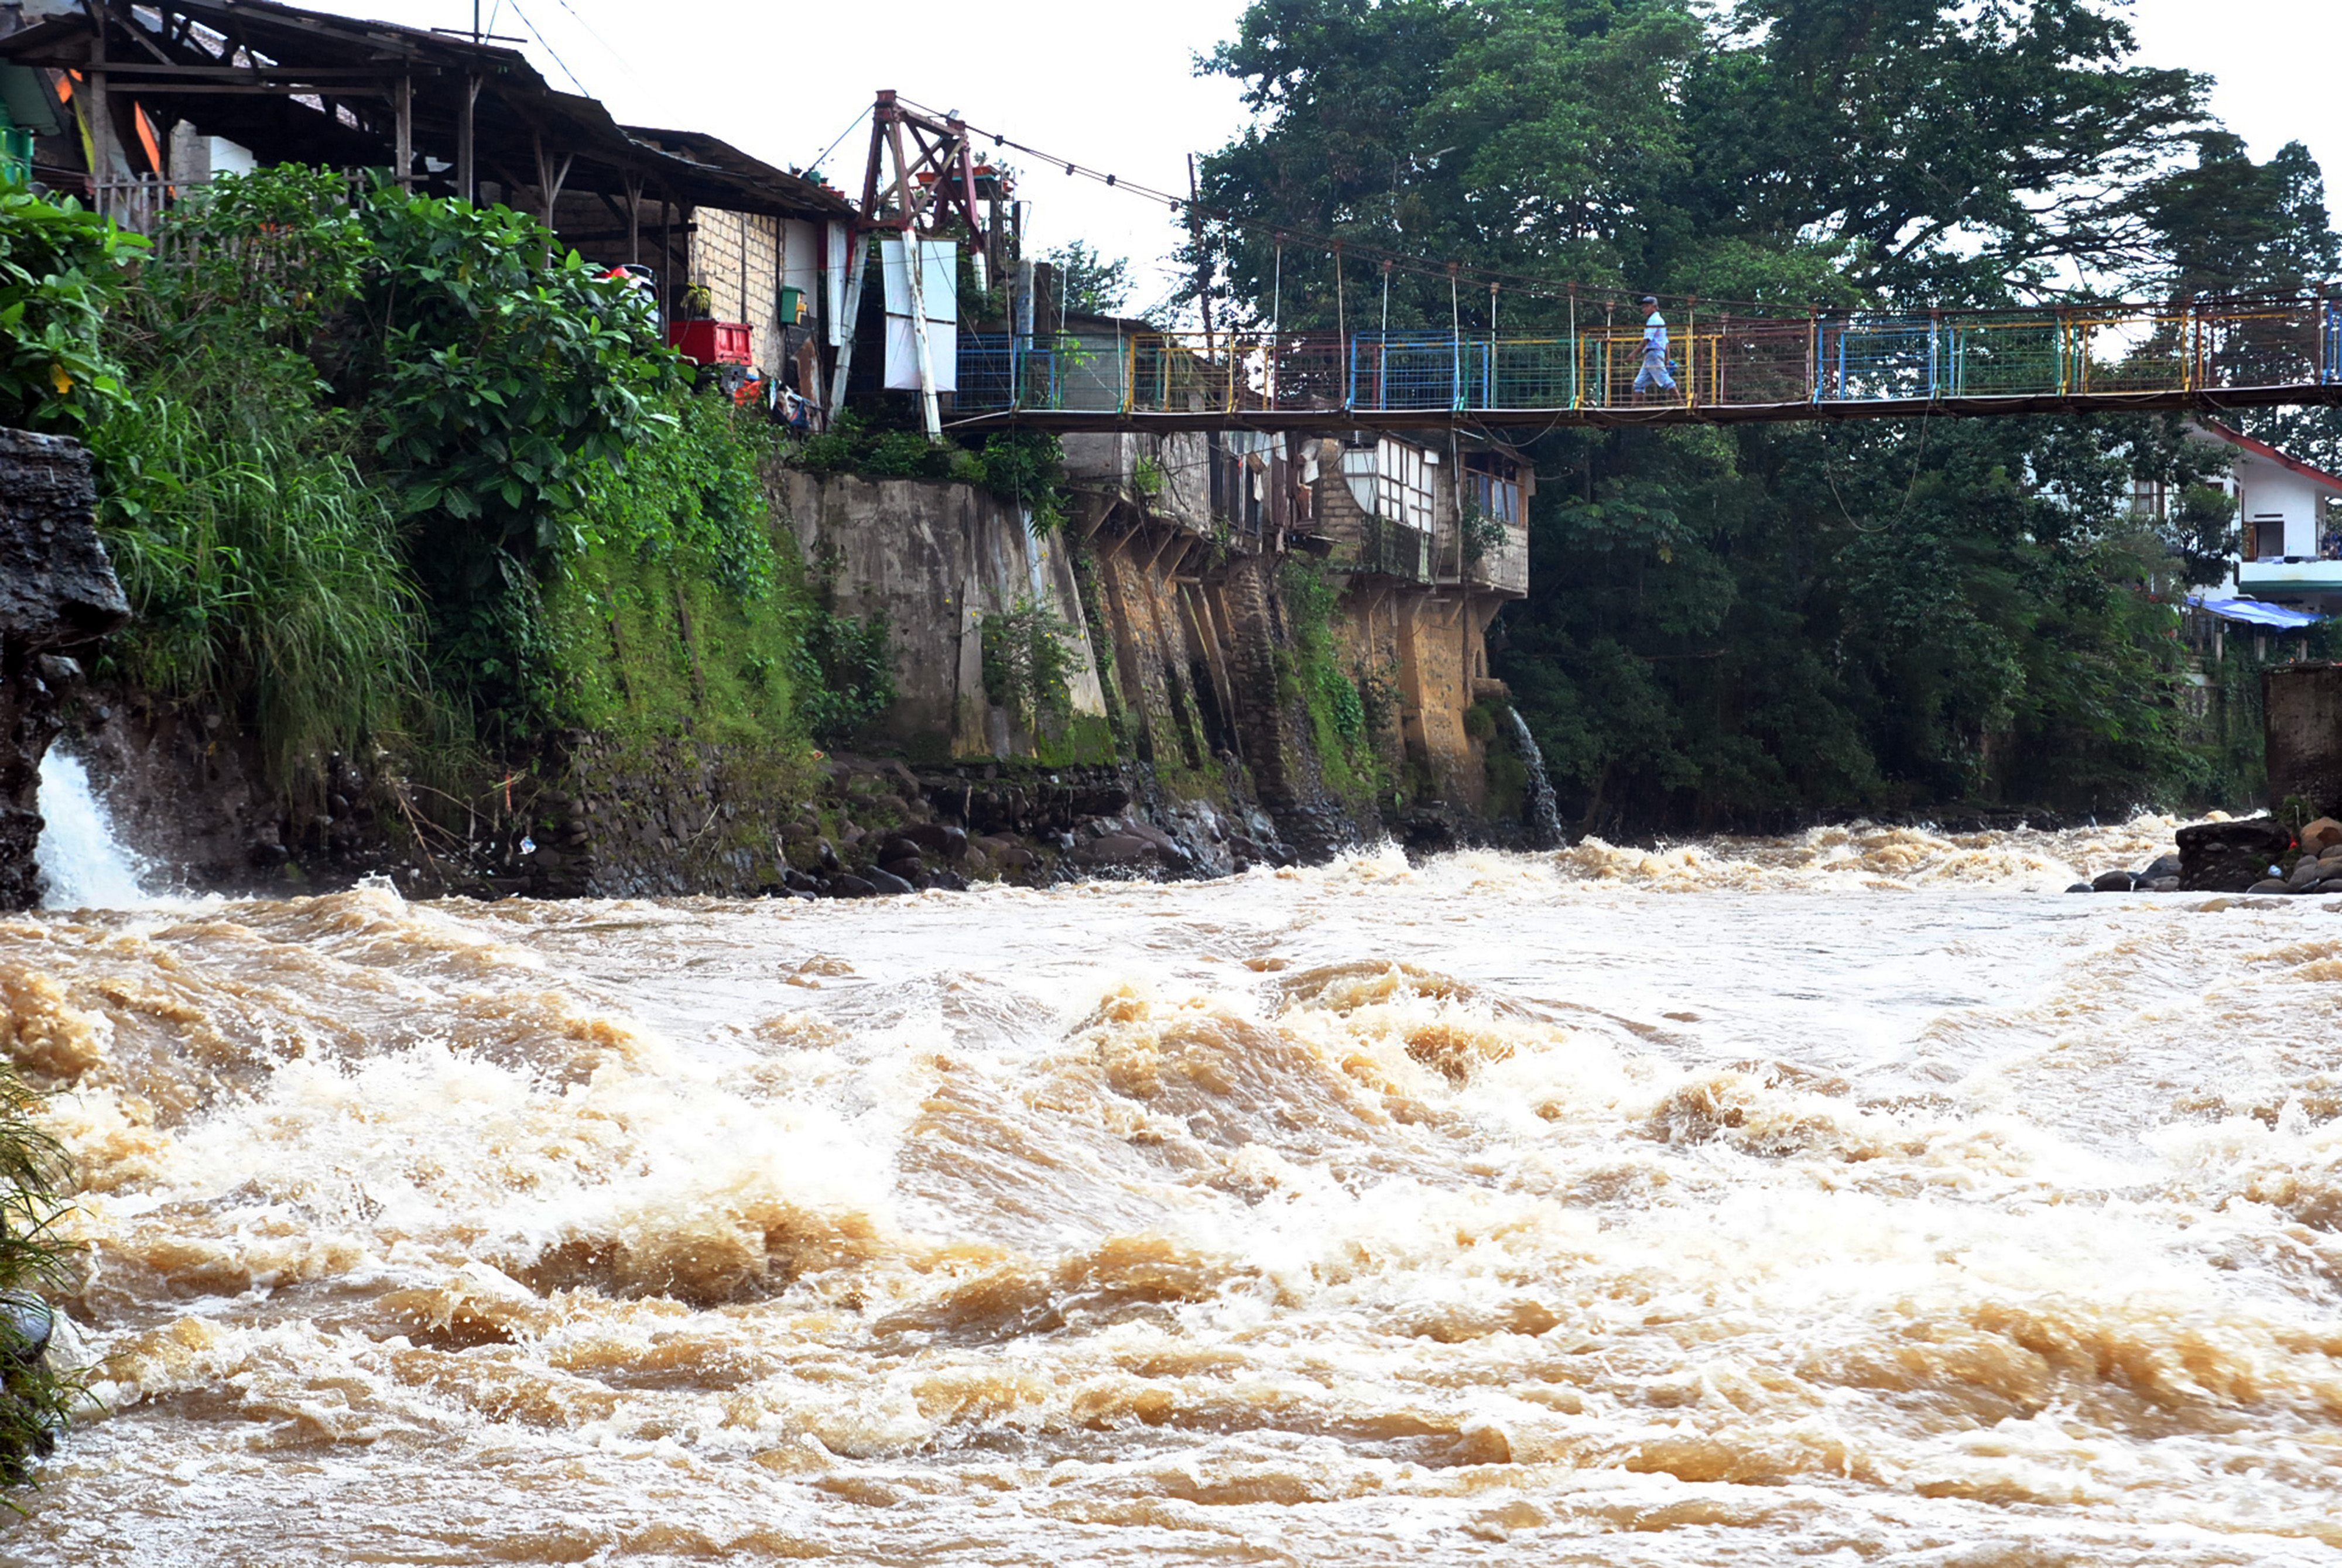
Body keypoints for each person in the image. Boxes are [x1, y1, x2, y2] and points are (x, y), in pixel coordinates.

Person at [1632, 295, 1677, 399]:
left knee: (1665, 380)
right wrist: (1667, 359)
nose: (1644, 309)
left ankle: (1681, 402)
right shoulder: (1660, 320)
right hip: (1653, 354)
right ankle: (1633, 406)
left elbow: (1647, 339)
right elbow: (1666, 342)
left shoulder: (1653, 320)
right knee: (1639, 384)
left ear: (1655, 307)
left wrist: (1633, 354)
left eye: (1647, 306)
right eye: (1644, 307)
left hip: (1654, 353)